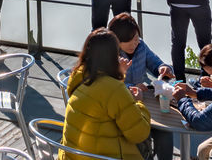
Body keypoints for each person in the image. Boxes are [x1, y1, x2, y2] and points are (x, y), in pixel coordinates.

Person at [61, 28, 152, 160]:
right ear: (113, 56)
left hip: (72, 155)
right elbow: (139, 133)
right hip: (101, 156)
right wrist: (139, 102)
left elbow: (104, 97)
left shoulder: (80, 77)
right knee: (147, 144)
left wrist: (118, 76)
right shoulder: (114, 89)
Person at [108, 13, 174, 160]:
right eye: (130, 40)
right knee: (142, 133)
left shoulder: (141, 46)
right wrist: (131, 86)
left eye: (137, 38)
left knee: (165, 132)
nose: (135, 43)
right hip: (121, 109)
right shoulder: (109, 55)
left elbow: (155, 63)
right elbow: (108, 86)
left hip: (141, 102)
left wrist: (164, 68)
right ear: (117, 40)